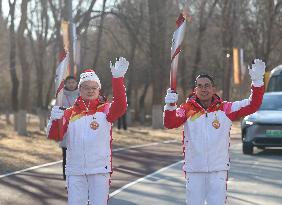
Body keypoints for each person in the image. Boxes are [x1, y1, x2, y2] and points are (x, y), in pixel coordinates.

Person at [163, 59, 266, 205]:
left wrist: (257, 82)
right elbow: (169, 123)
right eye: (200, 86)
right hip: (194, 170)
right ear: (195, 90)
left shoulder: (225, 109)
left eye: (207, 86)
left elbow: (253, 104)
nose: (204, 89)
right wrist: (169, 106)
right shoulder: (187, 110)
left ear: (213, 89)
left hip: (218, 170)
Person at [47, 57, 129, 205]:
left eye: (94, 88)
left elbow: (121, 106)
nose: (90, 91)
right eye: (86, 88)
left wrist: (118, 79)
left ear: (99, 89)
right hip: (75, 170)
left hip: (99, 169)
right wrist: (54, 120)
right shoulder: (69, 113)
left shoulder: (105, 109)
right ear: (80, 89)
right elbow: (55, 136)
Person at [59, 76, 79, 181]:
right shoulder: (61, 96)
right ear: (65, 84)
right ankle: (66, 177)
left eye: (73, 82)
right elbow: (56, 111)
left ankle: (77, 176)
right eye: (69, 82)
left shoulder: (82, 95)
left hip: (80, 131)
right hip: (66, 130)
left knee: (78, 156)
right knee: (66, 156)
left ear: (76, 83)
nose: (71, 84)